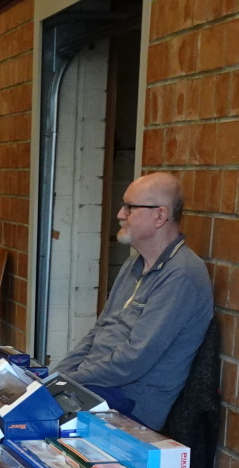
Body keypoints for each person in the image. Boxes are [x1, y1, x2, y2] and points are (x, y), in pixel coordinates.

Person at [52, 172, 213, 432]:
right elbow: (98, 331)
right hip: (97, 386)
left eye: (129, 207)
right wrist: (56, 377)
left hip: (130, 403)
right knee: (22, 406)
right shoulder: (133, 263)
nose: (120, 214)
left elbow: (133, 360)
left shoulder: (181, 275)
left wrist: (68, 381)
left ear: (160, 216)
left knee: (31, 423)